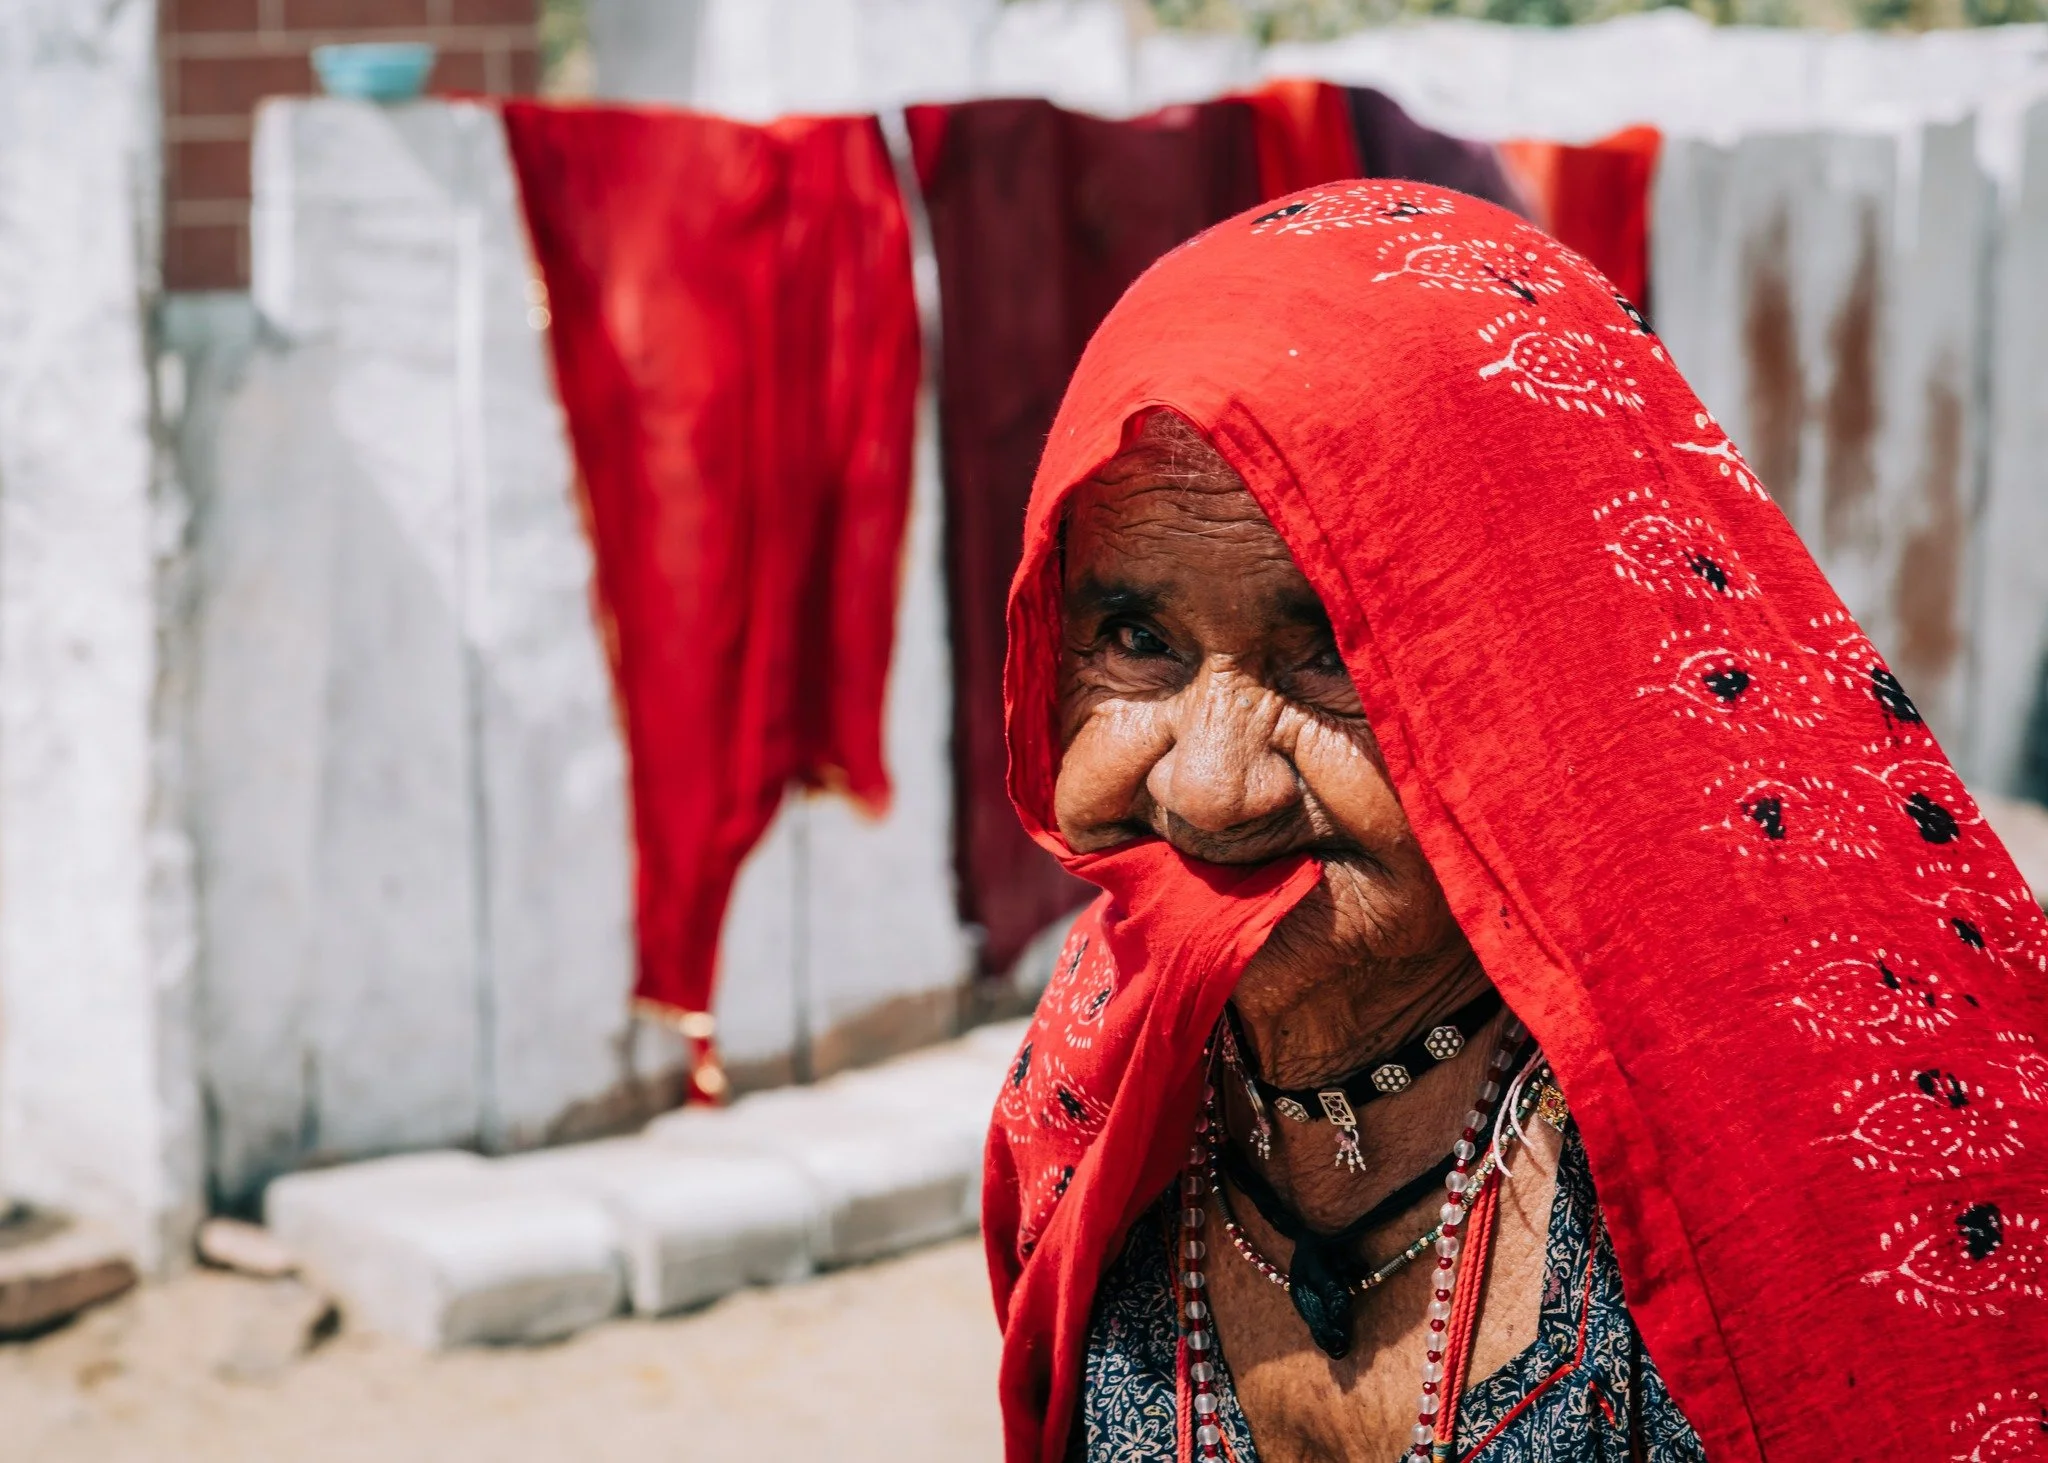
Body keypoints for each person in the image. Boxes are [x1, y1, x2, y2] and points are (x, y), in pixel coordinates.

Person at [981, 181, 2048, 1463]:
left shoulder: (1835, 1131)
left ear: (1539, 667)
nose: (1210, 792)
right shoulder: (1103, 1055)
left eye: (1333, 655)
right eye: (1135, 641)